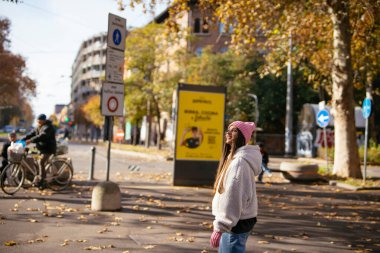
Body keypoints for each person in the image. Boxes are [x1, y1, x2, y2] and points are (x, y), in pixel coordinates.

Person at [210, 121, 262, 252]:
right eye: (228, 130)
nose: (228, 133)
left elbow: (233, 198)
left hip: (234, 225)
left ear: (242, 137)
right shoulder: (233, 158)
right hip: (235, 222)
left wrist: (220, 226)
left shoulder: (239, 163)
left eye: (234, 130)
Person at [22, 114, 57, 189]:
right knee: (29, 152)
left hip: (48, 149)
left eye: (40, 121)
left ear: (44, 120)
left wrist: (31, 140)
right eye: (38, 121)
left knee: (41, 161)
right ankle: (38, 175)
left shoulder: (48, 127)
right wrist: (23, 139)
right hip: (40, 148)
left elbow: (42, 136)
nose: (38, 122)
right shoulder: (38, 127)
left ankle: (42, 181)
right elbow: (31, 134)